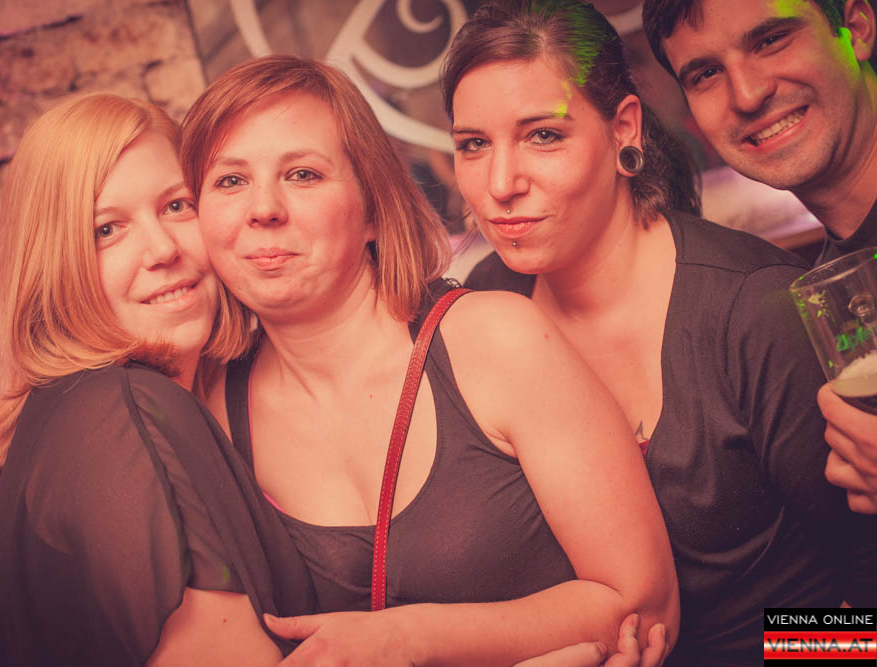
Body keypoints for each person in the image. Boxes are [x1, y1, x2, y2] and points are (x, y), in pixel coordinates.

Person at [180, 54, 679, 666]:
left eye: (303, 174)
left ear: (371, 207)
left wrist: (404, 638)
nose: (264, 208)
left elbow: (643, 605)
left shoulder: (494, 341)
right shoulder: (211, 413)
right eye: (230, 181)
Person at [442, 0, 877, 664]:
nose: (500, 184)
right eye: (473, 144)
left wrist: (757, 654)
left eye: (543, 135)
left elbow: (865, 614)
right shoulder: (487, 305)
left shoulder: (756, 309)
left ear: (624, 129)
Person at [0, 93, 316, 666]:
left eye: (177, 206)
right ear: (55, 263)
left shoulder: (76, 411)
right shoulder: (125, 411)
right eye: (107, 230)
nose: (161, 249)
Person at [642, 0, 877, 513]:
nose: (747, 94)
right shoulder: (830, 289)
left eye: (771, 40)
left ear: (856, 28)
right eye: (706, 73)